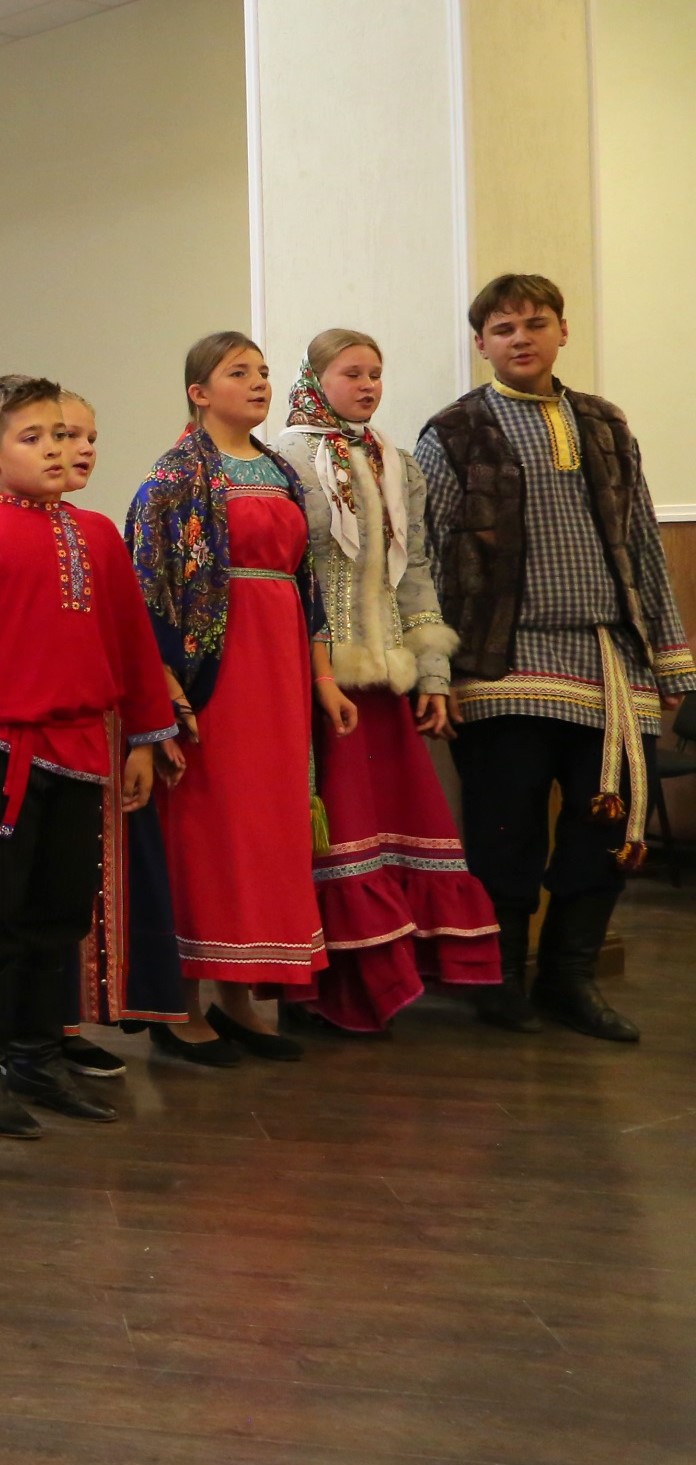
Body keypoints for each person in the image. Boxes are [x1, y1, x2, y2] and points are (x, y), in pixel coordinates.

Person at [418, 273, 695, 1042]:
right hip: (499, 663)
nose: (521, 338)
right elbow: (430, 558)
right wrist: (436, 670)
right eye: (503, 328)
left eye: (535, 323)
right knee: (505, 831)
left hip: (610, 663)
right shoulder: (453, 432)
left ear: (562, 332)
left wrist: (671, 660)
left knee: (602, 832)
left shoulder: (605, 424)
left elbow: (642, 542)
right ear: (481, 344)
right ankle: (500, 980)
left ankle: (570, 980)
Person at [0, 375, 176, 1138]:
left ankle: (37, 1058)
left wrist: (145, 737)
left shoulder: (99, 535)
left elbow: (131, 644)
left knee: (59, 912)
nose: (55, 449)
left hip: (82, 750)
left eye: (60, 434)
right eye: (33, 438)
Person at [129, 332, 353, 1067]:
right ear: (199, 392)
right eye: (238, 373)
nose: (258, 383)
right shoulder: (173, 478)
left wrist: (323, 679)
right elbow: (148, 590)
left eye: (262, 371)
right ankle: (181, 1001)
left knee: (268, 827)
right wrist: (165, 690)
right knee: (208, 827)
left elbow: (308, 584)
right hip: (213, 678)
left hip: (279, 671)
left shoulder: (280, 471)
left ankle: (241, 993)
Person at [270, 330, 500, 1033]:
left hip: (384, 682)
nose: (368, 385)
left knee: (394, 826)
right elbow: (291, 573)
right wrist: (310, 671)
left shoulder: (397, 462)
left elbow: (416, 569)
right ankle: (318, 990)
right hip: (317, 679)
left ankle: (388, 980)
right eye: (352, 373)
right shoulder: (284, 459)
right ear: (315, 379)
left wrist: (432, 672)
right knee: (333, 831)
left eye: (375, 373)